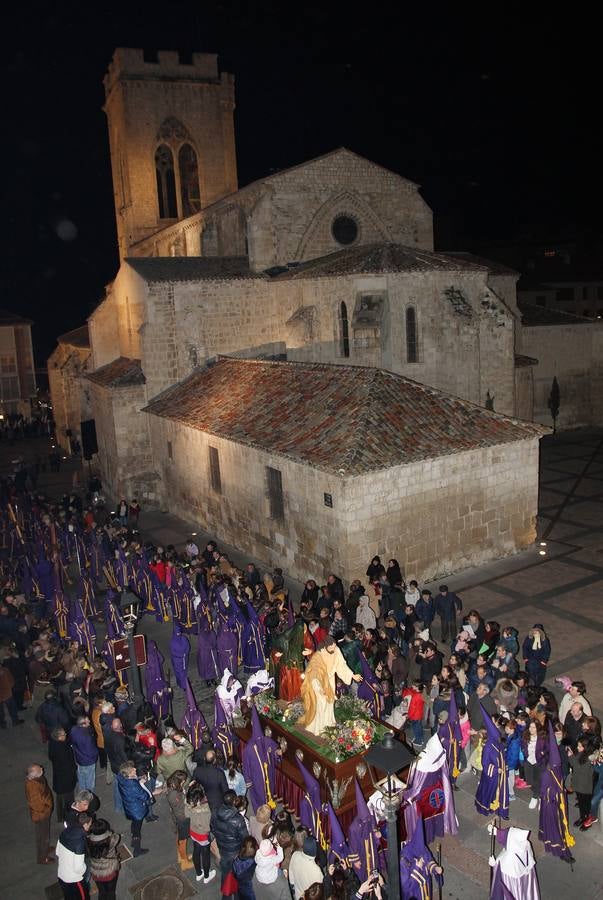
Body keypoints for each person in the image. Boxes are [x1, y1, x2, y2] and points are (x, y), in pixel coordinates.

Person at [298, 637, 363, 736]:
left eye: (335, 646)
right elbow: (314, 670)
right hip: (319, 682)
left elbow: (342, 665)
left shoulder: (336, 650)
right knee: (321, 703)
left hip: (330, 680)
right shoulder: (319, 655)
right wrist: (318, 686)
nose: (334, 648)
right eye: (331, 647)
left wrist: (352, 675)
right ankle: (318, 727)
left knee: (329, 702)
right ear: (326, 646)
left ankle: (328, 723)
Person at [487, 822, 540, 900]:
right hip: (525, 880)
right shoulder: (525, 845)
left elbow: (499, 873)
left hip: (511, 883)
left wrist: (493, 864)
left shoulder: (509, 857)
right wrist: (496, 831)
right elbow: (507, 837)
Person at [211, 789, 249, 893]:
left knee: (225, 870)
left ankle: (225, 889)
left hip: (222, 846)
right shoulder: (238, 819)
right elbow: (245, 838)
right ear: (234, 802)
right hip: (235, 850)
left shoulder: (215, 811)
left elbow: (212, 828)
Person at [116, 761, 156, 857]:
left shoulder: (123, 779)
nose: (135, 769)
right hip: (137, 810)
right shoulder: (132, 786)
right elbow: (144, 796)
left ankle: (134, 840)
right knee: (137, 828)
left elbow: (131, 782)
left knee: (134, 824)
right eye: (132, 770)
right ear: (128, 773)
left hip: (130, 807)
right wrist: (151, 793)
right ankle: (137, 849)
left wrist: (138, 780)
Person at [56, 811, 92, 899]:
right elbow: (78, 868)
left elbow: (57, 852)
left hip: (61, 875)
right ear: (85, 825)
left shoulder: (65, 832)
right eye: (90, 824)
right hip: (74, 881)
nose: (90, 826)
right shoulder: (79, 842)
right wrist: (85, 867)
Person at [185, 782, 216, 884]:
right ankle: (207, 876)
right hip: (203, 835)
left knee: (196, 851)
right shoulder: (205, 809)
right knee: (205, 855)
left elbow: (187, 815)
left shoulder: (189, 803)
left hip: (193, 832)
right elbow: (207, 826)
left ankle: (199, 873)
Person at [24, 763, 55, 864]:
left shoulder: (36, 779)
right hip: (41, 816)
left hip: (43, 813)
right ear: (33, 775)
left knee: (44, 834)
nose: (42, 769)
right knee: (43, 836)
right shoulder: (33, 787)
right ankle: (43, 857)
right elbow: (36, 804)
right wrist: (46, 809)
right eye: (39, 770)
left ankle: (45, 849)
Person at [48, 726, 78, 822]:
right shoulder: (62, 749)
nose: (65, 735)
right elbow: (68, 765)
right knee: (68, 799)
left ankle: (60, 816)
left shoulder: (53, 744)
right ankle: (69, 816)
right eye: (63, 734)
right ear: (59, 737)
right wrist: (73, 771)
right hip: (66, 780)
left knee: (60, 799)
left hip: (59, 779)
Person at [87, 817, 121, 900]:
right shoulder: (111, 839)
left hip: (96, 872)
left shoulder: (88, 840)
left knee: (102, 892)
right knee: (111, 892)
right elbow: (117, 836)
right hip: (110, 871)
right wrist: (109, 833)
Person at [166, 770, 193, 871]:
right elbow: (181, 806)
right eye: (183, 781)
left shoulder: (172, 786)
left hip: (177, 817)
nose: (184, 782)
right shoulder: (173, 794)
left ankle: (181, 857)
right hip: (182, 818)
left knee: (179, 837)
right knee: (183, 840)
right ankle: (184, 862)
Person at [289, 835, 324, 900]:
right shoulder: (317, 871)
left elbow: (291, 875)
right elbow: (319, 891)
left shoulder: (295, 855)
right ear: (315, 851)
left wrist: (293, 886)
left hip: (298, 895)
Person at [70, 714, 98, 792]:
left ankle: (82, 792)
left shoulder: (74, 730)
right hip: (89, 761)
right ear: (83, 724)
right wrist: (96, 754)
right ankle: (88, 795)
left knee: (81, 777)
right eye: (87, 720)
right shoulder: (87, 737)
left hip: (79, 759)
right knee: (90, 780)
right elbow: (91, 751)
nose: (89, 721)